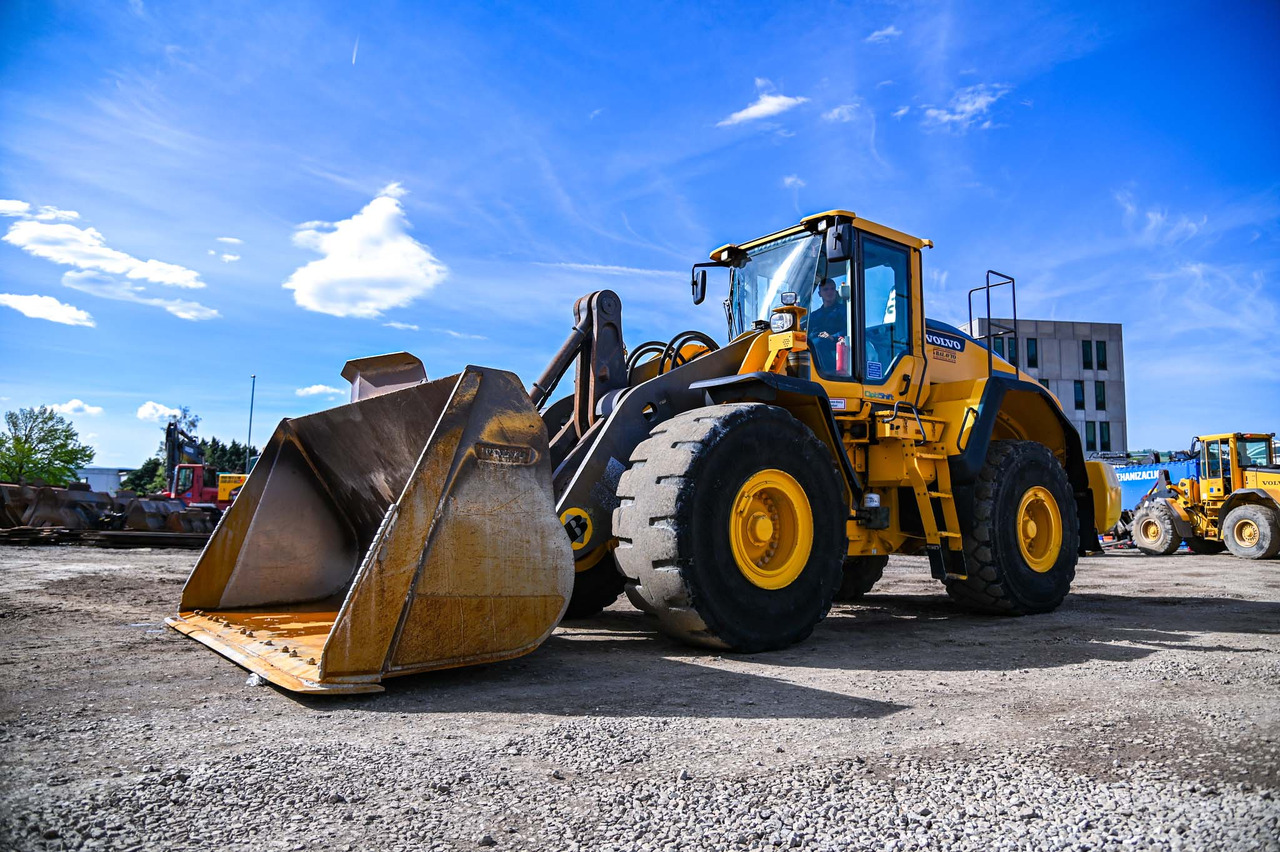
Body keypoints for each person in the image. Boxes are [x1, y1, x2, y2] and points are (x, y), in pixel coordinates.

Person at [807, 278, 847, 372]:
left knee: (818, 343)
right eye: (826, 289)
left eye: (832, 289)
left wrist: (832, 337)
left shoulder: (844, 310)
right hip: (814, 343)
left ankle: (830, 372)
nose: (829, 292)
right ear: (819, 294)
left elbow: (849, 329)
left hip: (834, 343)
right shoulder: (813, 315)